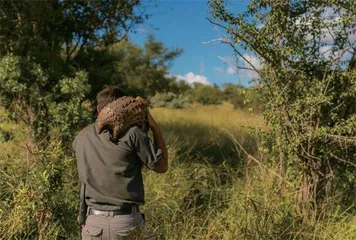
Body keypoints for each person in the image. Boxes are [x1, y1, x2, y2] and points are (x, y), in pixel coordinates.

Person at [72, 86, 168, 239]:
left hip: (92, 225)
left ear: (98, 110)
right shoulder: (132, 134)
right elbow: (162, 166)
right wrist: (154, 128)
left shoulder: (81, 136)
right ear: (123, 106)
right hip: (126, 223)